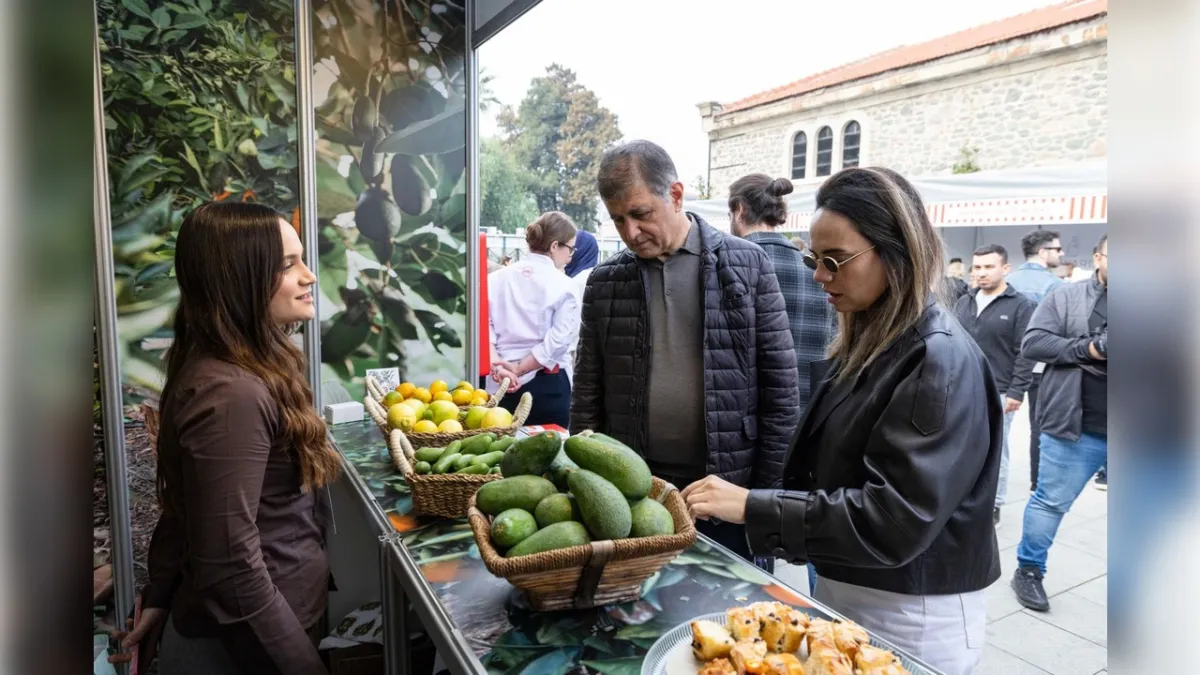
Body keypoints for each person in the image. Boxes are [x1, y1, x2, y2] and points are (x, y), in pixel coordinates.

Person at [684, 167, 1002, 675]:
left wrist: (753, 507)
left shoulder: (935, 360)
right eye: (815, 259)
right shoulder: (879, 341)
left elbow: (892, 520)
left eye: (834, 260)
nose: (819, 276)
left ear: (896, 252)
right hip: (858, 587)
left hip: (907, 608)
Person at [111, 202, 339, 674]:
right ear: (239, 280)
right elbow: (231, 564)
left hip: (266, 628)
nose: (310, 276)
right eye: (287, 265)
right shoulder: (231, 394)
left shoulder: (245, 367)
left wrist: (160, 592)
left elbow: (189, 506)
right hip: (245, 648)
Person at [571, 140, 799, 568]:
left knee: (730, 602)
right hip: (636, 493)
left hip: (727, 488)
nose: (630, 232)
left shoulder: (748, 265)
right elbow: (587, 392)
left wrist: (760, 500)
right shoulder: (605, 281)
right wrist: (585, 483)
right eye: (618, 219)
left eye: (640, 214)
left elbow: (781, 391)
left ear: (675, 195)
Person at [1011, 233, 1107, 613]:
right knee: (1050, 502)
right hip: (1076, 425)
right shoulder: (1066, 296)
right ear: (1098, 257)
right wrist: (1089, 348)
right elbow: (1033, 343)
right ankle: (1029, 570)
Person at [728, 173, 837, 420]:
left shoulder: (725, 267)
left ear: (739, 210)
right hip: (807, 418)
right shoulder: (818, 271)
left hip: (744, 422)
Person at [952, 244, 1037, 525]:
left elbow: (1025, 352)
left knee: (995, 450)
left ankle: (993, 503)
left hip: (998, 391)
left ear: (1005, 268)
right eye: (977, 267)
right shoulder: (964, 302)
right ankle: (960, 496)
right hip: (960, 388)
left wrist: (1017, 391)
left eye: (989, 267)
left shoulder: (1021, 305)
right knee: (958, 444)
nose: (982, 273)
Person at [488, 211, 579, 428]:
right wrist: (519, 369)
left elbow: (483, 332)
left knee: (495, 445)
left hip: (497, 382)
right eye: (570, 249)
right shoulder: (565, 285)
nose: (570, 257)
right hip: (548, 385)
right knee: (549, 446)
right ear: (554, 246)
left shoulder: (494, 280)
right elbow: (558, 341)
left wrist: (500, 368)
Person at [1005, 229, 1065, 493]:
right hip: (1042, 367)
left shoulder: (1008, 280)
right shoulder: (1057, 286)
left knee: (996, 428)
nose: (1061, 253)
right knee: (1040, 427)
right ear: (1043, 252)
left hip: (1007, 366)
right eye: (1057, 249)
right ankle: (1036, 484)